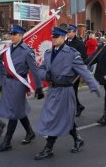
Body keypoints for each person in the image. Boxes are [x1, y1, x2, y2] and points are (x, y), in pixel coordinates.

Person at [34, 27, 100, 160]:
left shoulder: (71, 53)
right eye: (52, 37)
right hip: (53, 90)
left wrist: (93, 85)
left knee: (56, 118)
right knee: (64, 118)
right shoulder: (48, 53)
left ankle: (49, 148)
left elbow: (83, 70)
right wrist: (45, 75)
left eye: (57, 37)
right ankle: (78, 139)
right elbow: (40, 69)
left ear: (64, 37)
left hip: (65, 90)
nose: (54, 39)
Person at [0, 25, 44, 152]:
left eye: (15, 34)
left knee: (13, 112)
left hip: (19, 83)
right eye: (11, 34)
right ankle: (30, 132)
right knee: (18, 109)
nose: (12, 36)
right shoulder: (7, 49)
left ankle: (7, 142)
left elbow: (34, 70)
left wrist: (39, 88)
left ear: (21, 36)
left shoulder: (27, 51)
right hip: (8, 82)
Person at [65, 24, 88, 117]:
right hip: (66, 71)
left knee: (73, 91)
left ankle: (77, 107)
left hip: (75, 71)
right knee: (68, 91)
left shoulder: (79, 43)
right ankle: (78, 105)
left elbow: (84, 58)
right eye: (67, 31)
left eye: (70, 32)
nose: (68, 33)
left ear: (74, 32)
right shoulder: (65, 42)